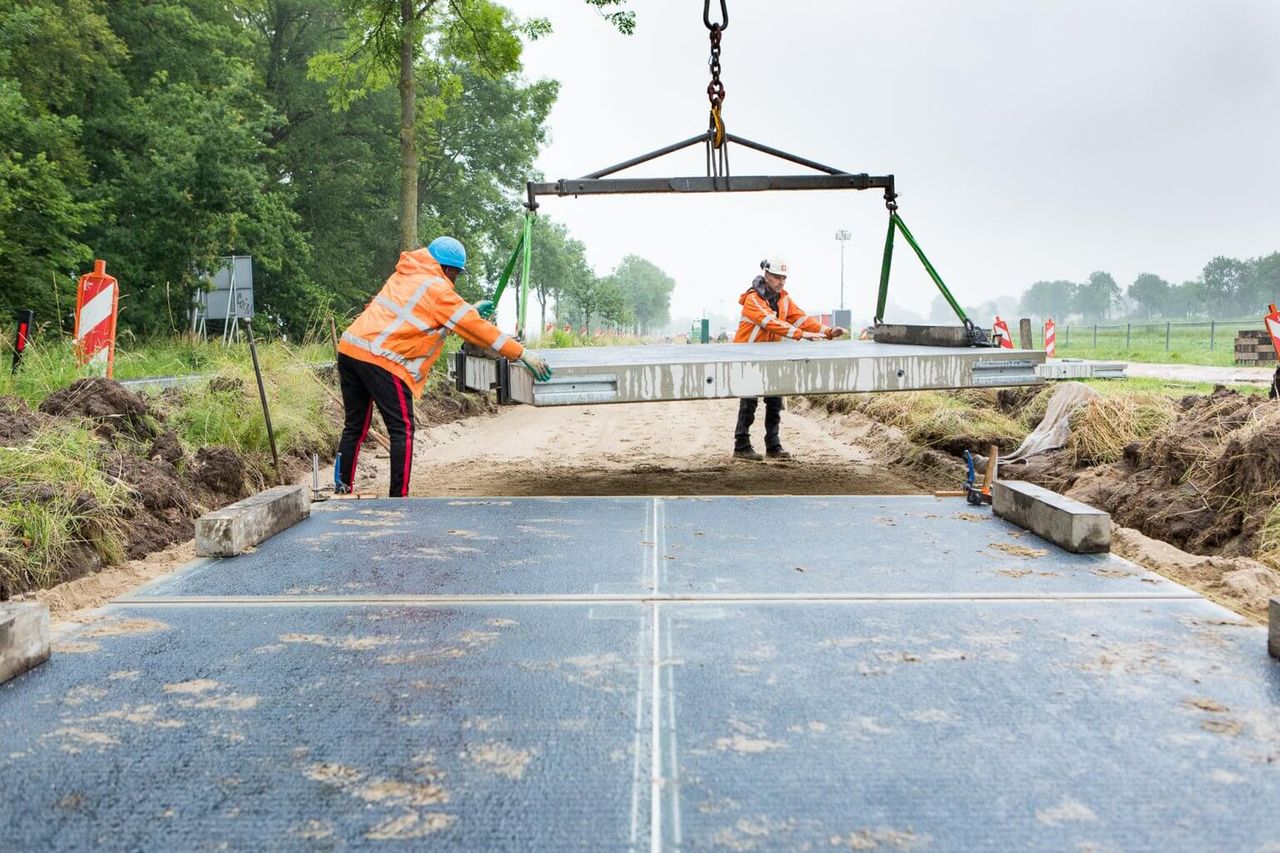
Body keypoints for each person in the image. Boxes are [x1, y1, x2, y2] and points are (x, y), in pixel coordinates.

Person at [335, 236, 552, 496]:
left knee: (354, 426)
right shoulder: (438, 289)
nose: (454, 280)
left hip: (350, 349)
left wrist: (469, 308)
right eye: (456, 275)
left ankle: (342, 488)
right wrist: (521, 353)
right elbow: (476, 329)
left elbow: (424, 316)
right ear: (448, 269)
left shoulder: (406, 274)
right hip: (383, 360)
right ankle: (398, 499)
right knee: (402, 429)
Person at [732, 257, 847, 461]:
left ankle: (773, 446)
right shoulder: (753, 299)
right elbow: (770, 322)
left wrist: (828, 331)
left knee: (775, 401)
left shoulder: (784, 299)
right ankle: (741, 446)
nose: (781, 282)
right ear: (766, 275)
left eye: (783, 278)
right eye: (777, 277)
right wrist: (800, 335)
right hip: (749, 357)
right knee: (749, 402)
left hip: (772, 356)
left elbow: (802, 319)